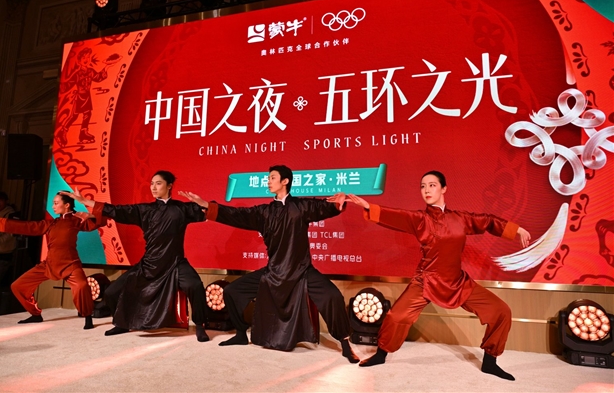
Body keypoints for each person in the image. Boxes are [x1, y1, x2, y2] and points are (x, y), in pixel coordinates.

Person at [346, 170, 531, 380]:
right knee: (396, 316)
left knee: (501, 311)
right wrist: (368, 207)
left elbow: (488, 221)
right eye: (423, 186)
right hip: (427, 280)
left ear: (444, 189)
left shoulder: (461, 219)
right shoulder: (420, 219)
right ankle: (381, 354)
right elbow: (395, 215)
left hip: (457, 282)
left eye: (432, 185)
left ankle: (490, 362)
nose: (426, 190)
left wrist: (517, 230)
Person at [181, 165, 359, 363]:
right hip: (273, 272)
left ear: (285, 181)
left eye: (272, 177)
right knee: (232, 291)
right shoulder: (264, 212)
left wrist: (339, 201)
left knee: (332, 296)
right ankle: (241, 333)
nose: (268, 181)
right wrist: (206, 205)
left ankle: (344, 343)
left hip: (301, 271)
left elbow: (325, 207)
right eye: (268, 177)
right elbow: (237, 214)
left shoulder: (302, 207)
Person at [63, 170, 210, 341]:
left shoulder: (182, 209)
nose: (153, 187)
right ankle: (123, 323)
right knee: (111, 292)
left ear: (169, 186)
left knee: (194, 285)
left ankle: (200, 325)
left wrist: (203, 203)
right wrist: (84, 201)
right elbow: (116, 210)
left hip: (175, 263)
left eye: (158, 183)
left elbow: (209, 211)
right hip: (149, 263)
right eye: (152, 183)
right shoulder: (145, 210)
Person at [0, 192, 105, 329]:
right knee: (18, 286)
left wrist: (88, 211)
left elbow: (99, 220)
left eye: (56, 203)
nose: (53, 206)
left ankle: (87, 316)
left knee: (82, 286)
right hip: (49, 264)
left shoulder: (76, 220)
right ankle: (35, 314)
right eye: (53, 203)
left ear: (67, 205)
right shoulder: (51, 224)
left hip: (70, 264)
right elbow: (28, 226)